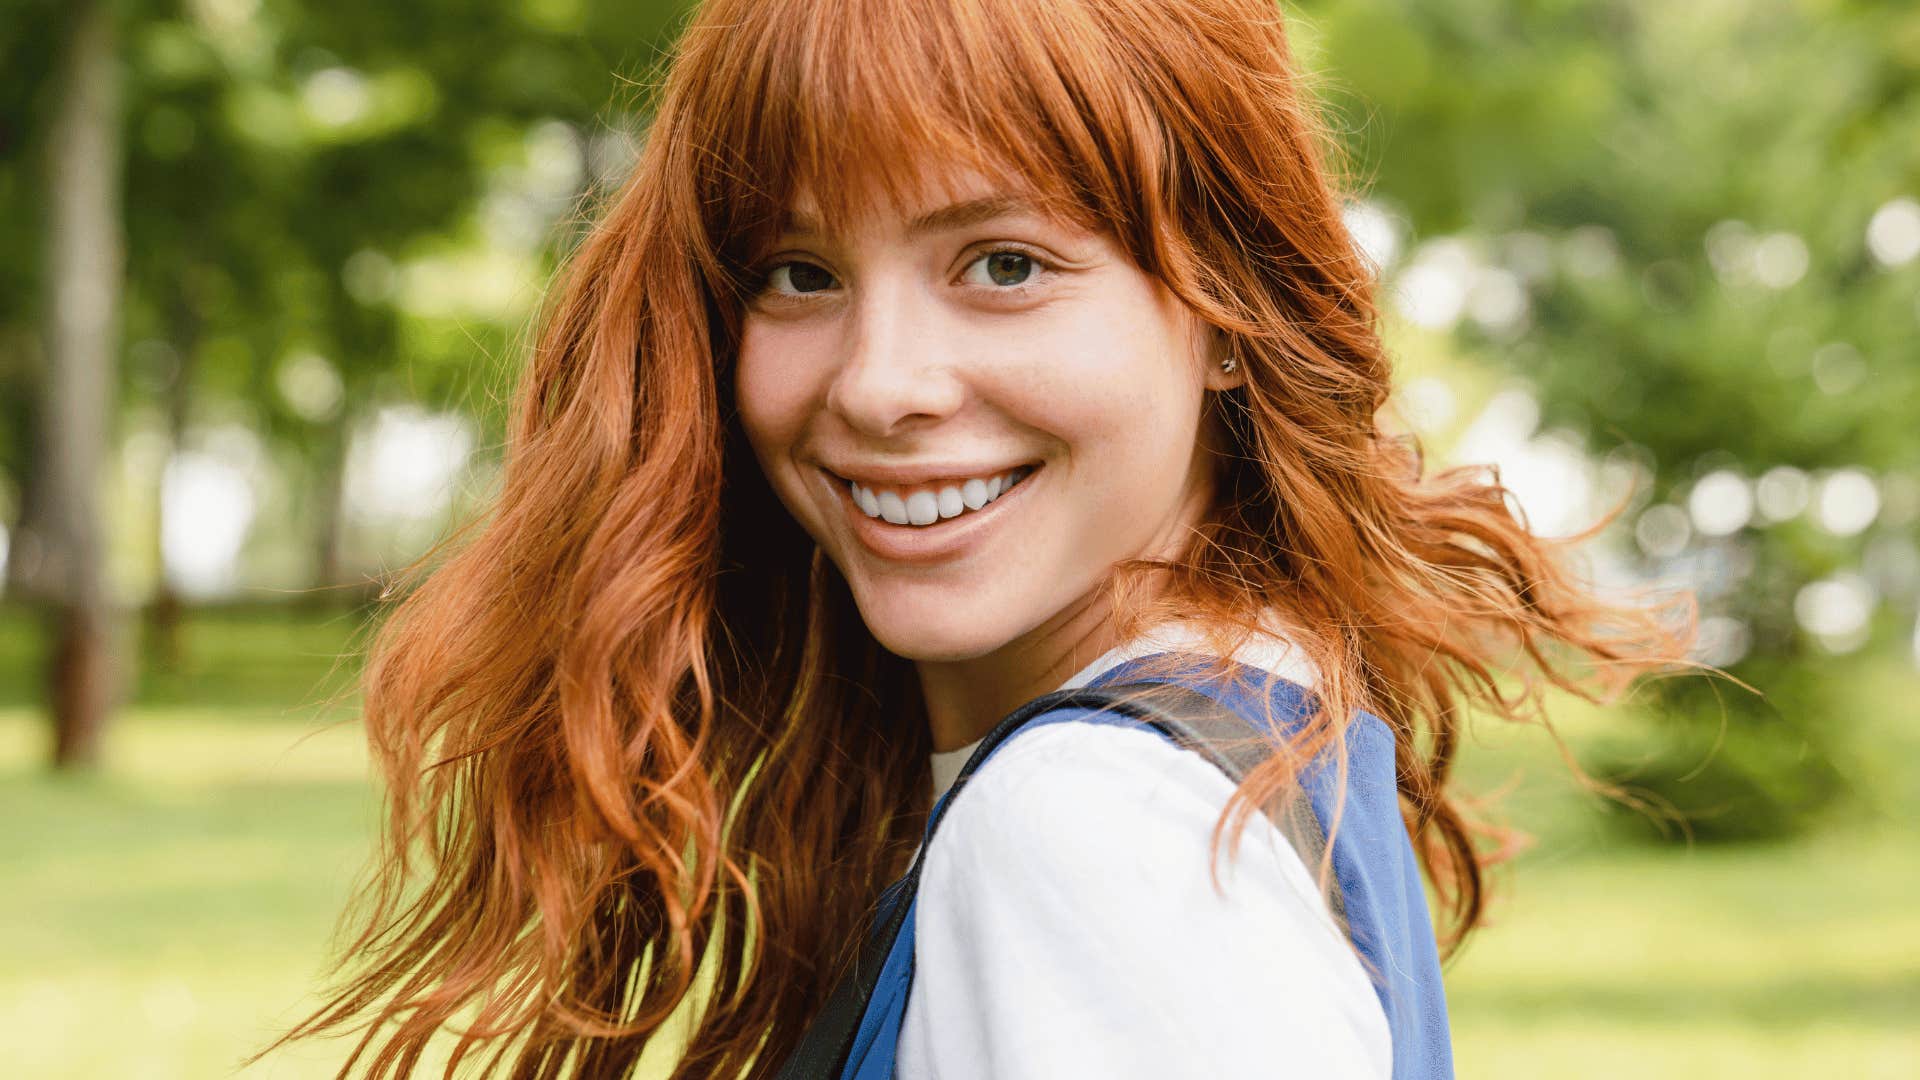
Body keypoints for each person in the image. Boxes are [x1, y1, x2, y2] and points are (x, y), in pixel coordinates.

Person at [258, 0, 1692, 1077]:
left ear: (1230, 320)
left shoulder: (1093, 830)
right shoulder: (1257, 720)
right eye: (800, 273)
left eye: (1004, 266)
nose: (878, 383)